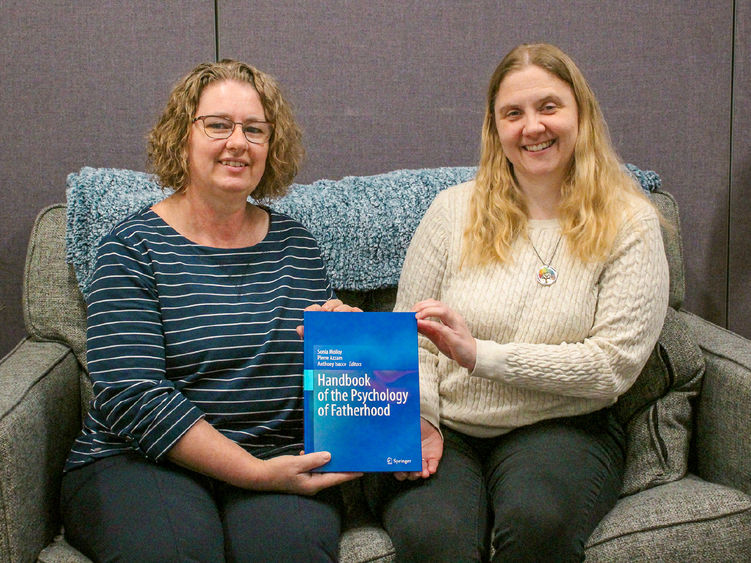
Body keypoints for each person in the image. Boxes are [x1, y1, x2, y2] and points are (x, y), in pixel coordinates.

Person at [363, 43, 669, 562]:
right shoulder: (451, 211)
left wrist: (481, 355)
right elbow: (405, 335)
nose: (533, 127)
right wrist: (422, 420)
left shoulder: (630, 223)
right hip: (450, 426)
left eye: (549, 107)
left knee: (537, 523)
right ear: (495, 128)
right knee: (433, 537)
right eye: (514, 113)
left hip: (562, 425)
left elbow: (611, 367)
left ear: (581, 114)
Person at [61, 59, 361, 563]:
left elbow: (322, 382)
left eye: (255, 129)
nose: (238, 142)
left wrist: (348, 346)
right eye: (218, 125)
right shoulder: (130, 249)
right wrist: (252, 474)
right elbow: (132, 397)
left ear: (272, 145)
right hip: (140, 462)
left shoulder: (297, 246)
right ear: (182, 137)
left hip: (273, 451)